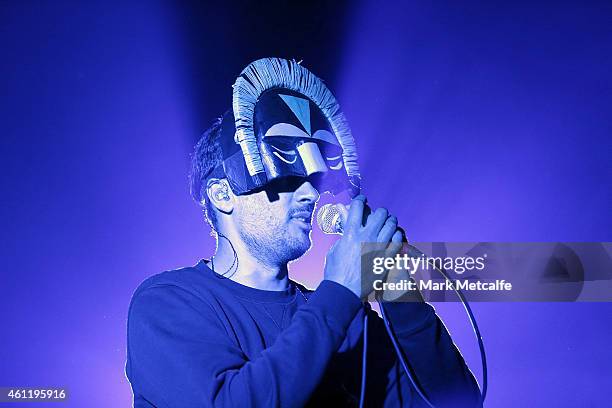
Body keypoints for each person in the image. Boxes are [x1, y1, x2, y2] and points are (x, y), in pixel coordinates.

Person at [126, 58, 481, 407]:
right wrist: (341, 290)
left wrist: (400, 295)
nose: (311, 194)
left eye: (312, 181)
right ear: (223, 195)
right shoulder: (168, 302)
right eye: (288, 180)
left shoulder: (346, 317)